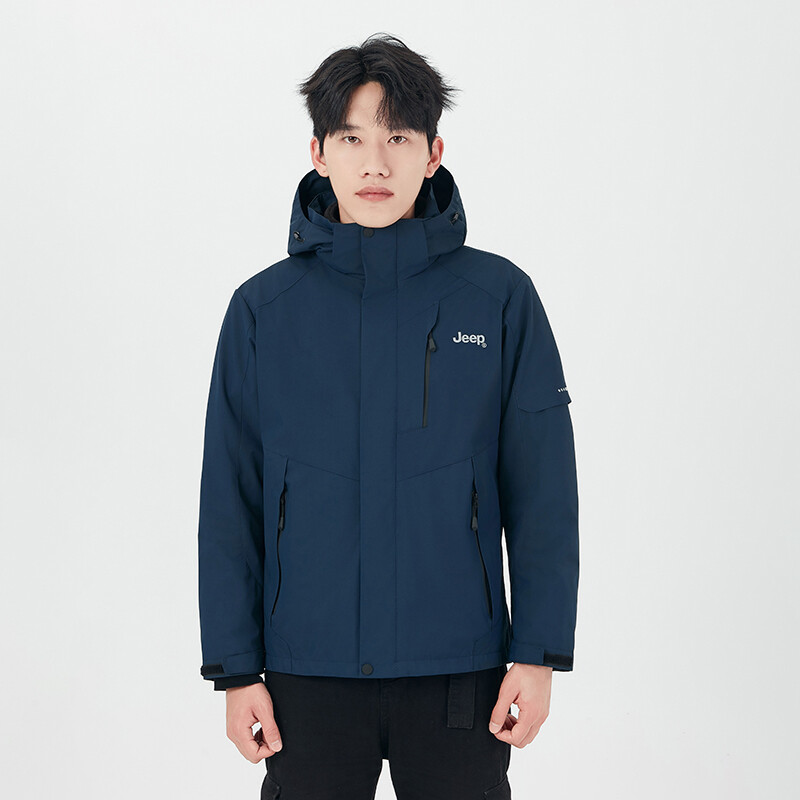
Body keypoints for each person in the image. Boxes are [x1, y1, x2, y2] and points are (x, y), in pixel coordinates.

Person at [197, 32, 579, 800]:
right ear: (318, 152)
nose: (375, 164)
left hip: (459, 673)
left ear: (433, 152)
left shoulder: (498, 300)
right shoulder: (263, 311)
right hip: (306, 674)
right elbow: (230, 499)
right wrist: (236, 670)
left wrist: (537, 654)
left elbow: (542, 490)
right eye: (352, 139)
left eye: (397, 138)